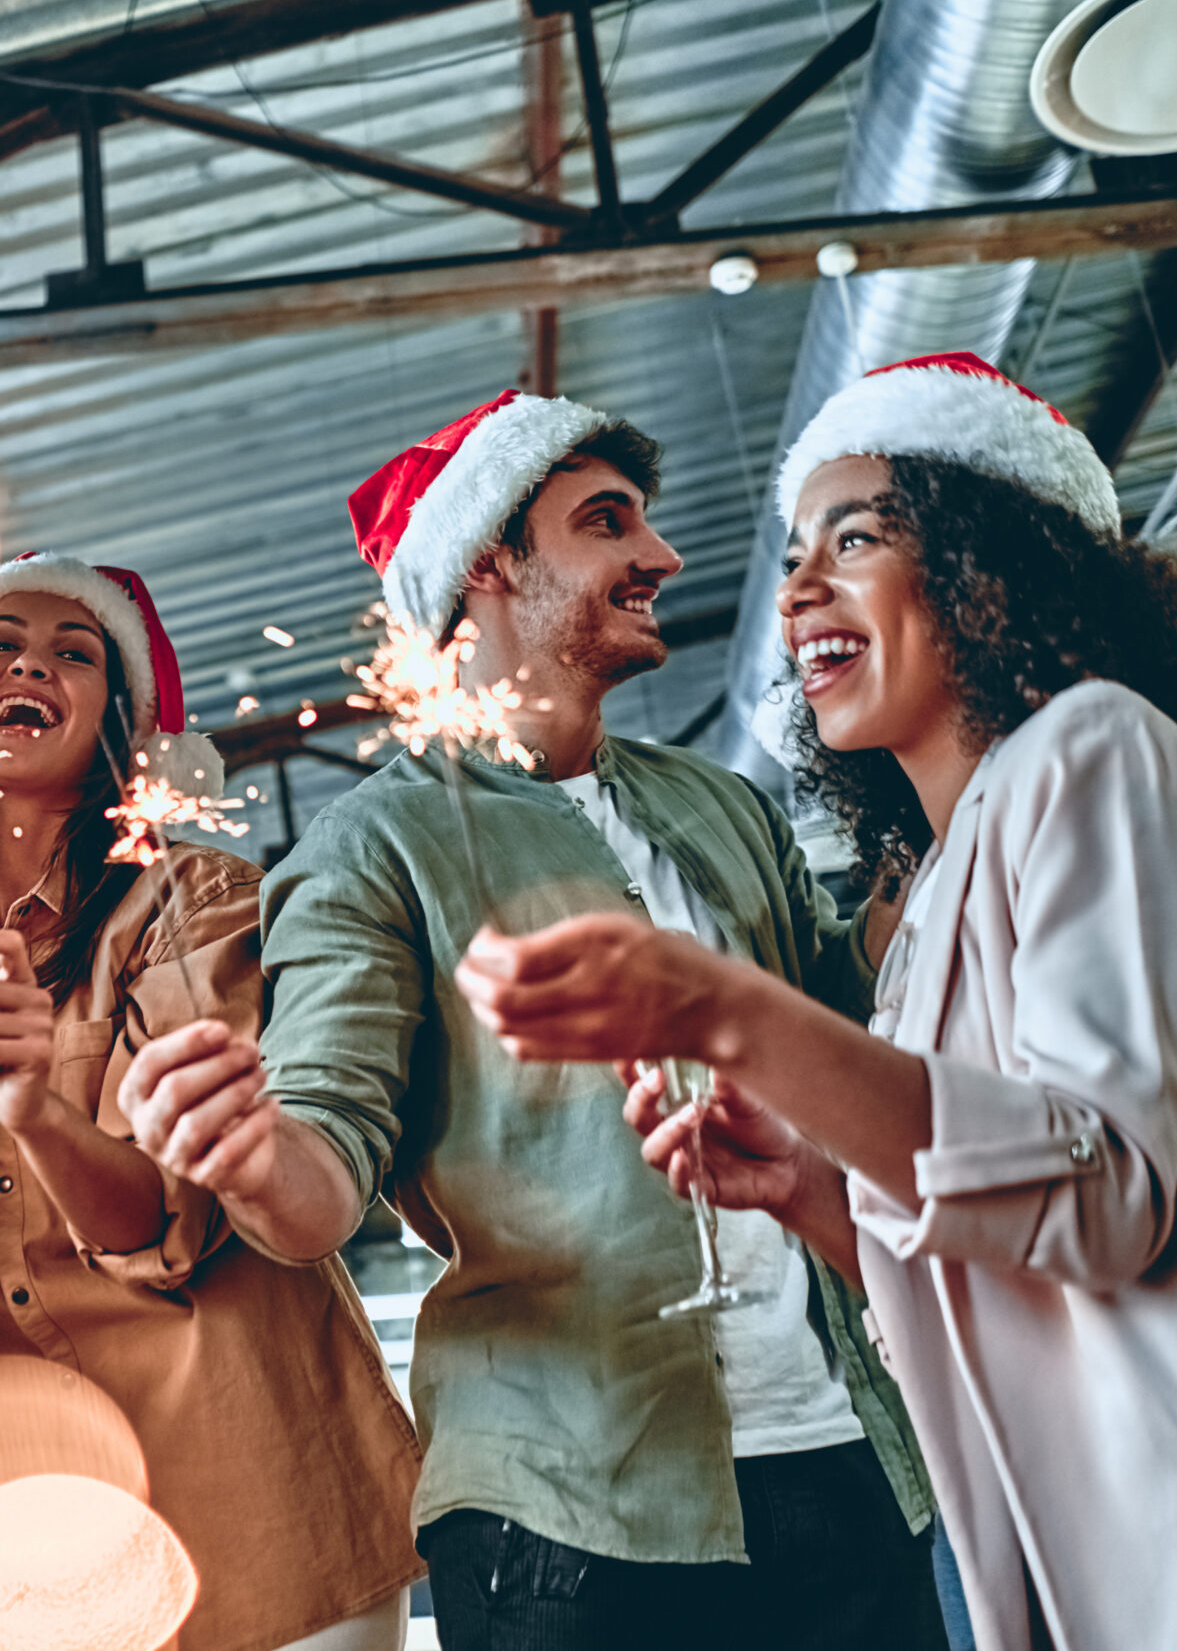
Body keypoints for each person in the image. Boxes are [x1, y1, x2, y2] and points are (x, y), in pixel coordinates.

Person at [456, 353, 1177, 1651]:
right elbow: (988, 1263)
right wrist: (814, 1193)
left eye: (856, 535)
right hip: (1128, 1545)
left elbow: (1098, 1196)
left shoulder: (1099, 751)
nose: (801, 584)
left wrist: (729, 1014)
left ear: (992, 567)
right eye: (797, 547)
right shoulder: (925, 915)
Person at [122, 392, 945, 1651]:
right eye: (605, 522)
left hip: (843, 1464)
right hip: (563, 1515)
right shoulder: (372, 846)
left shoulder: (724, 806)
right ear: (489, 565)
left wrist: (938, 792)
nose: (660, 558)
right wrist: (245, 1151)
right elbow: (320, 1178)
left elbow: (860, 1049)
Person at [0, 553, 423, 1651]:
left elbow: (170, 1231)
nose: (29, 664)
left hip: (250, 1487)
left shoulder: (194, 905)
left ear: (120, 724)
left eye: (73, 652)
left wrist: (37, 1109)